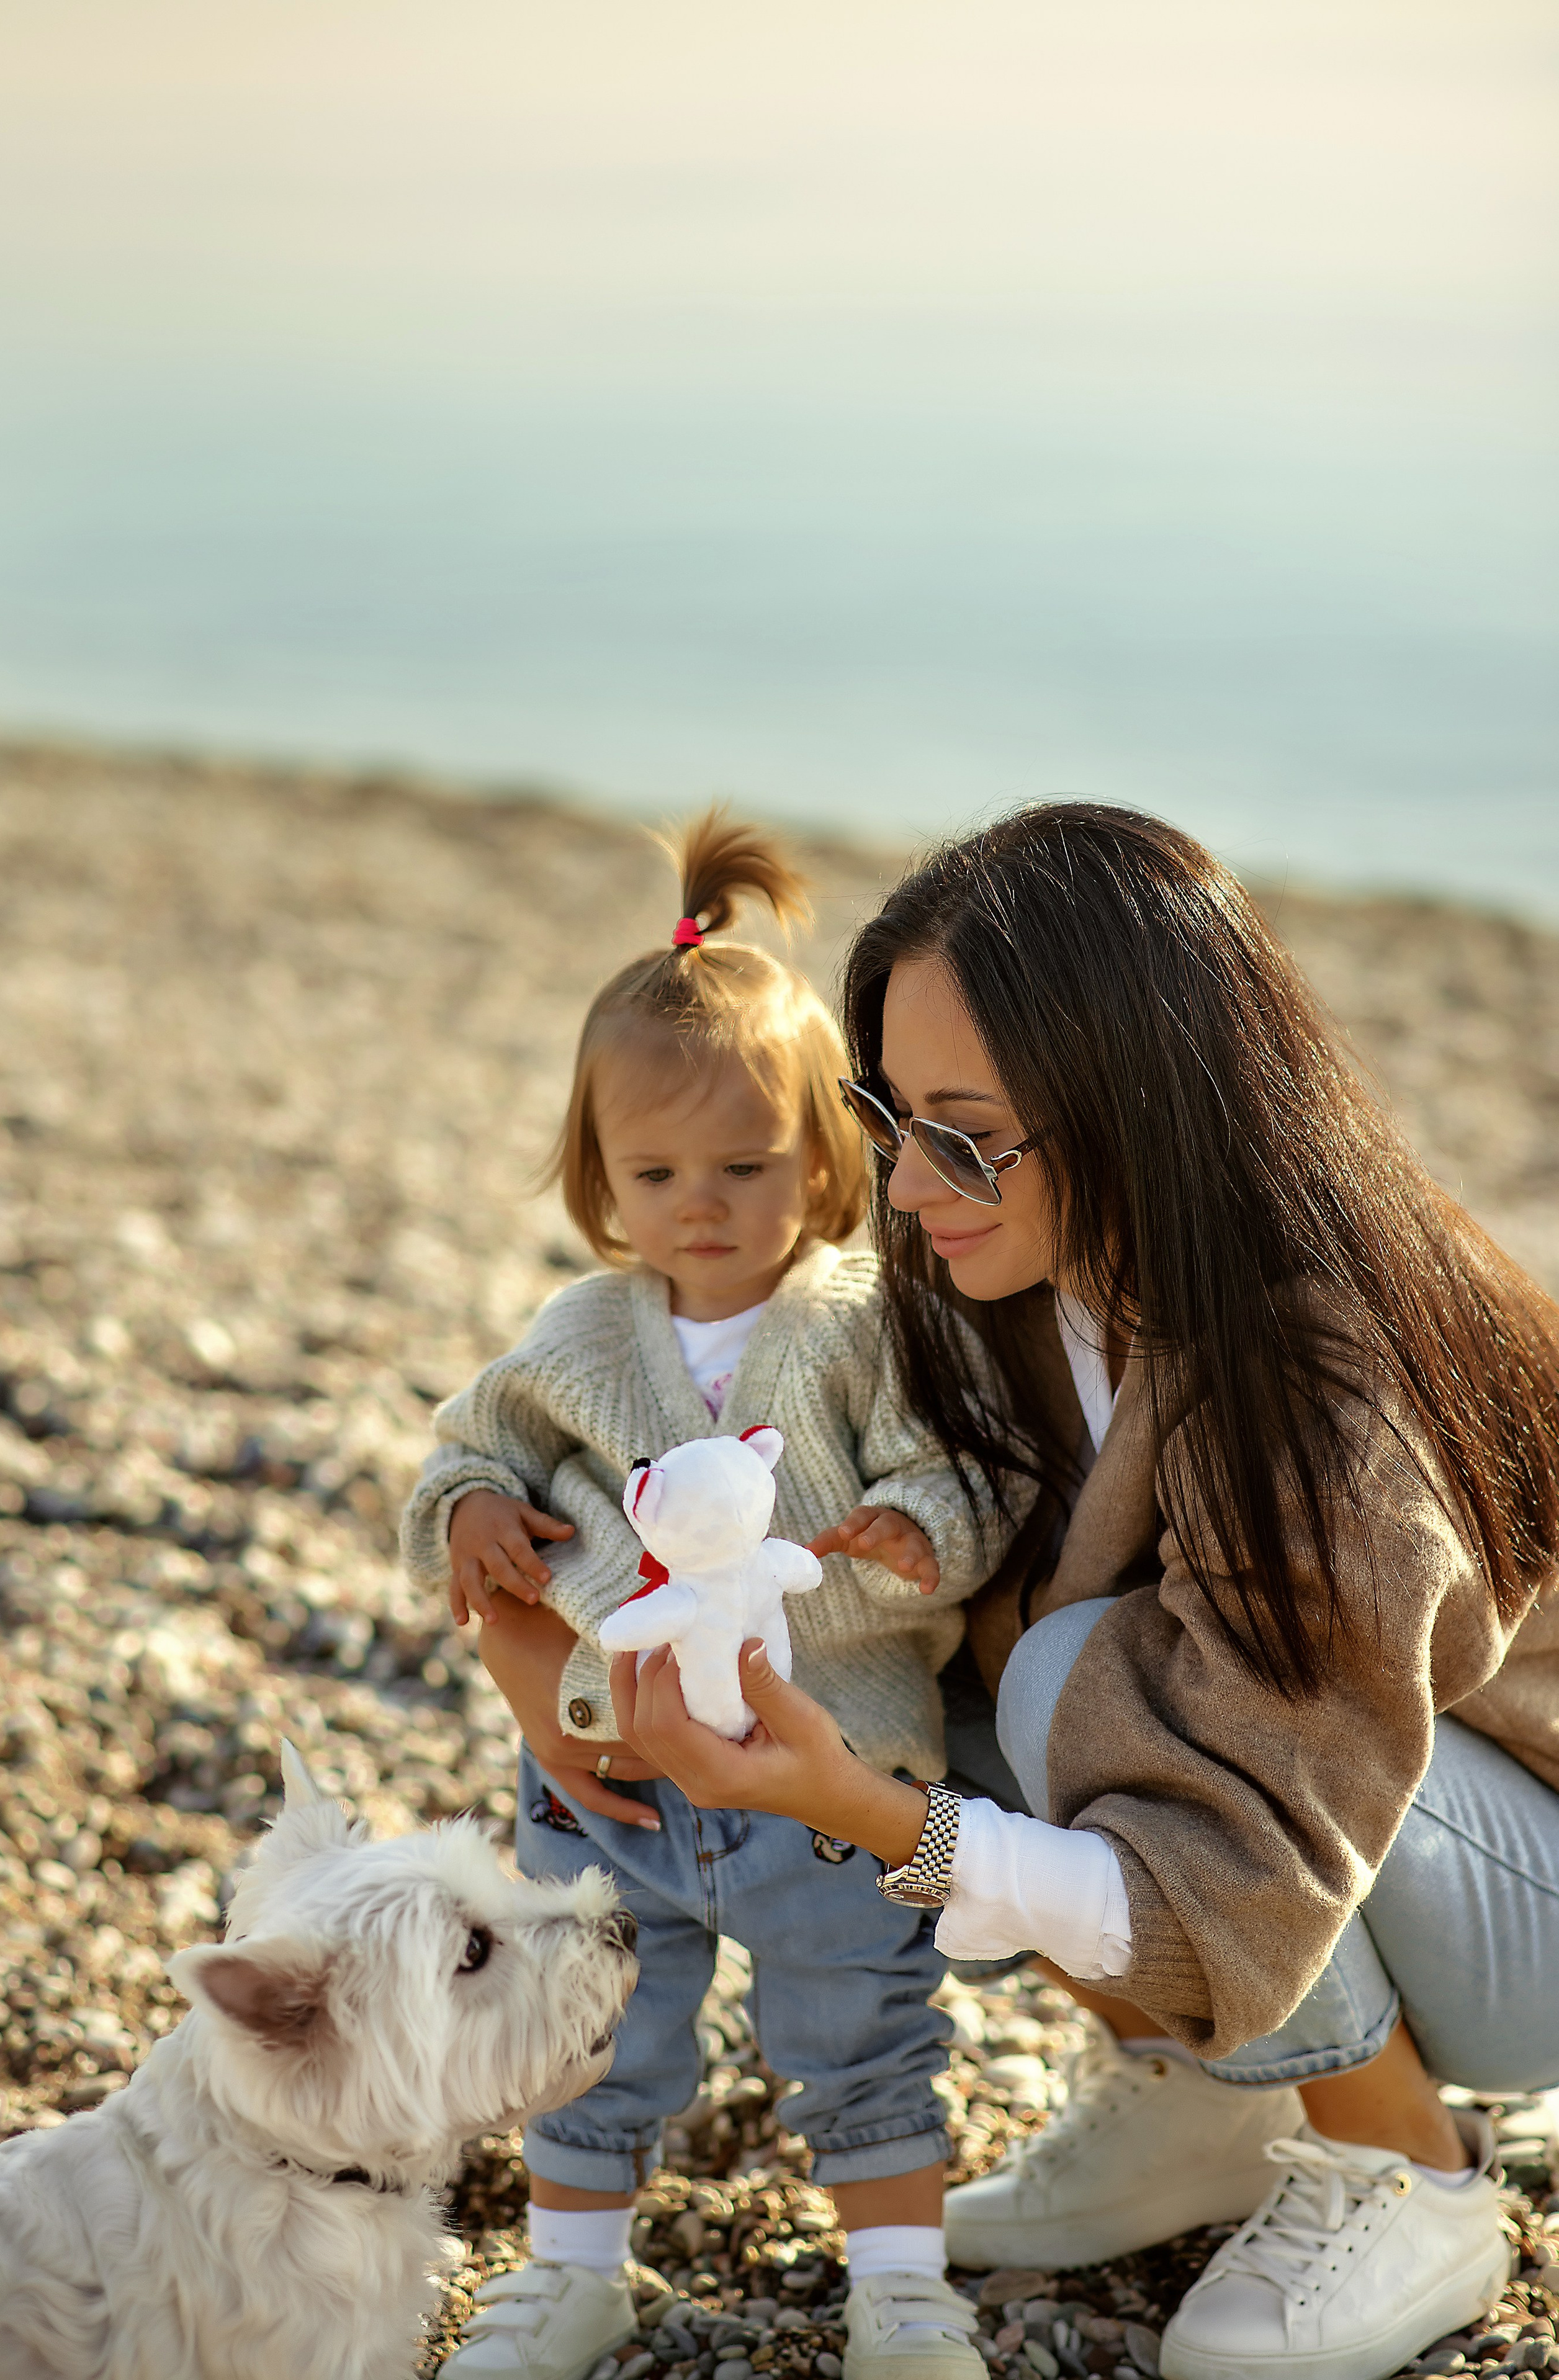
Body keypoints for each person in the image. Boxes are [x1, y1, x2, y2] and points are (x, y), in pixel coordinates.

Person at [606, 804, 1559, 2380]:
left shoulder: (1323, 1384)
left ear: (1140, 1108)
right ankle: (1209, 2107)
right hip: (1319, 1824)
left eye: (965, 1134)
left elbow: (1248, 1844)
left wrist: (857, 1806)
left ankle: (1410, 2165)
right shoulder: (1017, 1292)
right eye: (887, 1114)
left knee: (1070, 1672)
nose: (908, 1185)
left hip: (1516, 1889)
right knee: (932, 1615)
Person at [401, 812, 1022, 2380]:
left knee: (863, 2036)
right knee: (585, 2033)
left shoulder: (863, 1322)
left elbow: (972, 1472)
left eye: (744, 1167)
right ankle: (569, 2273)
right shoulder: (579, 1335)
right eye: (655, 1170)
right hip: (611, 1769)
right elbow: (463, 1451)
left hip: (829, 1770)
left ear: (823, 1158)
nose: (700, 1202)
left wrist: (913, 1528)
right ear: (597, 1176)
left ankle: (898, 2287)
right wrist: (471, 1511)